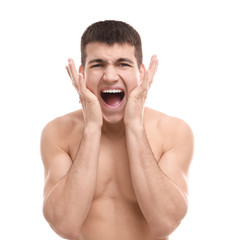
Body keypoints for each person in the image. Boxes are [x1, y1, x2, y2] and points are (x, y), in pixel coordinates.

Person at [40, 20, 194, 240]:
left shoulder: (174, 131)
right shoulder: (57, 132)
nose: (110, 76)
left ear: (141, 72)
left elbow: (165, 223)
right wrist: (92, 126)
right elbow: (65, 225)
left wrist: (135, 125)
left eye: (123, 64)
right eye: (98, 64)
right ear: (81, 74)